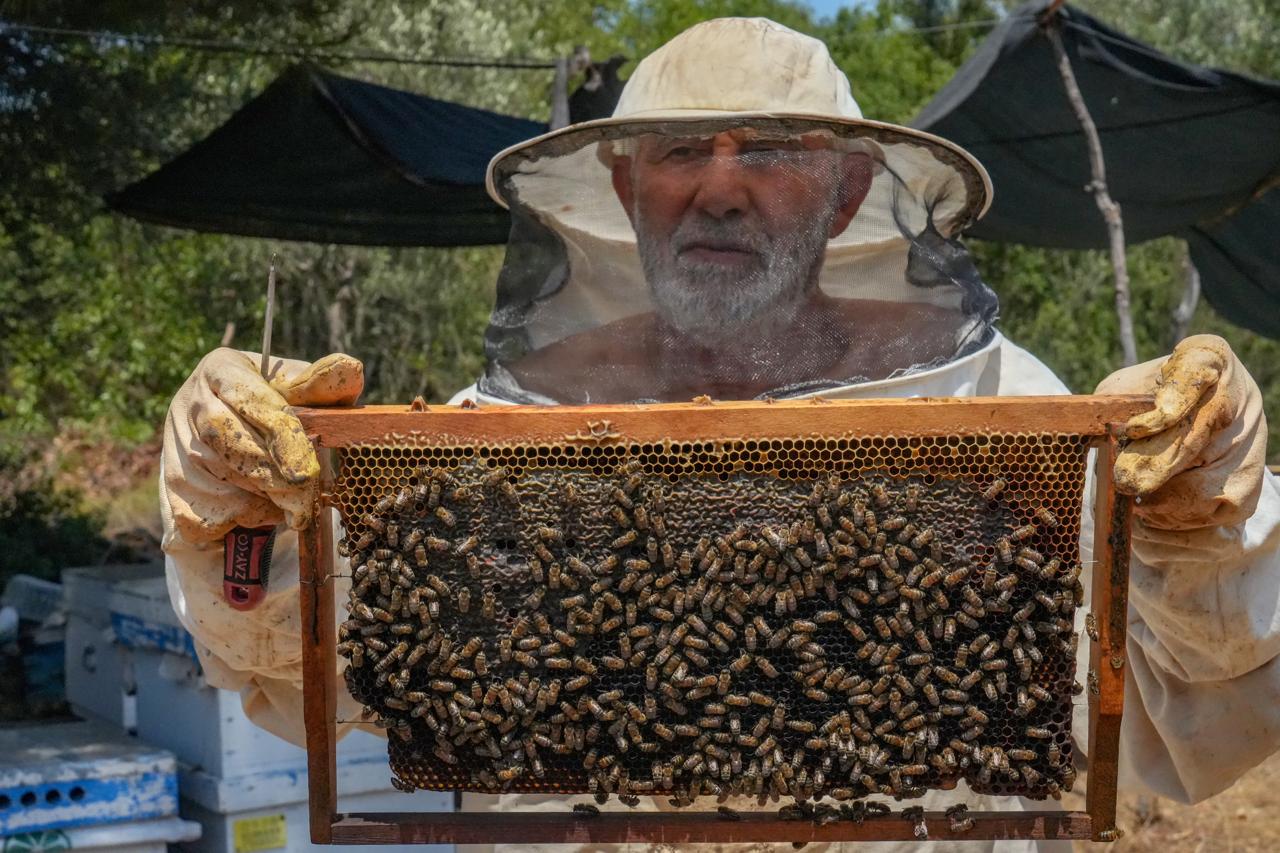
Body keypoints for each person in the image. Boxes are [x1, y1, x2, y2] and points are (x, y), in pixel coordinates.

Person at [160, 17, 1278, 852]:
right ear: (621, 182)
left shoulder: (1005, 402)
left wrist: (1202, 521)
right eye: (682, 152)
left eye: (774, 153)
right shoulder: (504, 432)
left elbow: (1196, 706)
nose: (721, 190)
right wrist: (235, 513)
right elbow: (312, 664)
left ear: (845, 193)